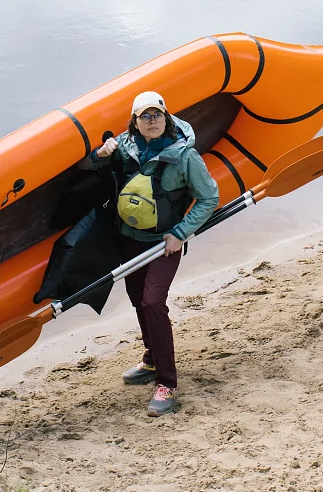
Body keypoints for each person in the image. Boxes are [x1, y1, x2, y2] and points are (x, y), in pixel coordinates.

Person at [76, 90, 219, 417]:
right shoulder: (123, 147)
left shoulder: (184, 156)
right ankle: (152, 358)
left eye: (157, 115)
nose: (152, 121)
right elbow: (86, 165)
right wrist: (100, 153)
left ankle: (167, 383)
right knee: (137, 297)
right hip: (129, 239)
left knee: (153, 302)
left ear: (166, 117)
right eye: (145, 116)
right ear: (135, 121)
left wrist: (181, 233)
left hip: (164, 241)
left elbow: (209, 198)